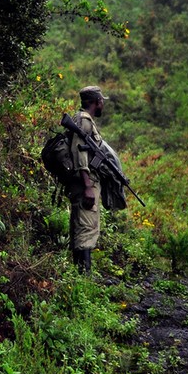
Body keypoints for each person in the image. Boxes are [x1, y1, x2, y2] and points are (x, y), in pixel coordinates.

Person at [68, 86, 106, 274]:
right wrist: (88, 186)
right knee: (85, 230)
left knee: (85, 229)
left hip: (86, 183)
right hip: (86, 183)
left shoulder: (85, 121)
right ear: (96, 101)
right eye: (101, 101)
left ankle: (81, 277)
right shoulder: (83, 121)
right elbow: (79, 152)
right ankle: (84, 279)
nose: (103, 104)